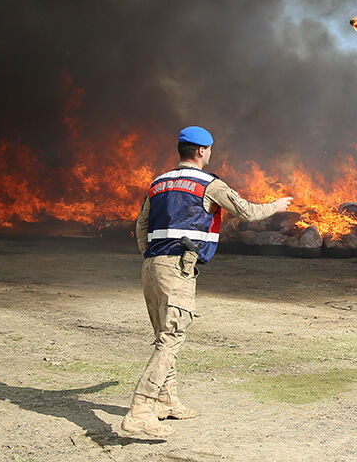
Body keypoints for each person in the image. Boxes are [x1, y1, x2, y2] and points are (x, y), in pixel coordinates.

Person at [120, 125, 292, 438]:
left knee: (163, 334)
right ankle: (141, 409)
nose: (210, 154)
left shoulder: (159, 183)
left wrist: (152, 257)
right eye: (209, 149)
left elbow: (141, 225)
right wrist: (276, 206)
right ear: (201, 151)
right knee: (171, 338)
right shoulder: (208, 184)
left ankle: (167, 401)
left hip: (151, 267)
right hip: (177, 270)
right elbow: (247, 211)